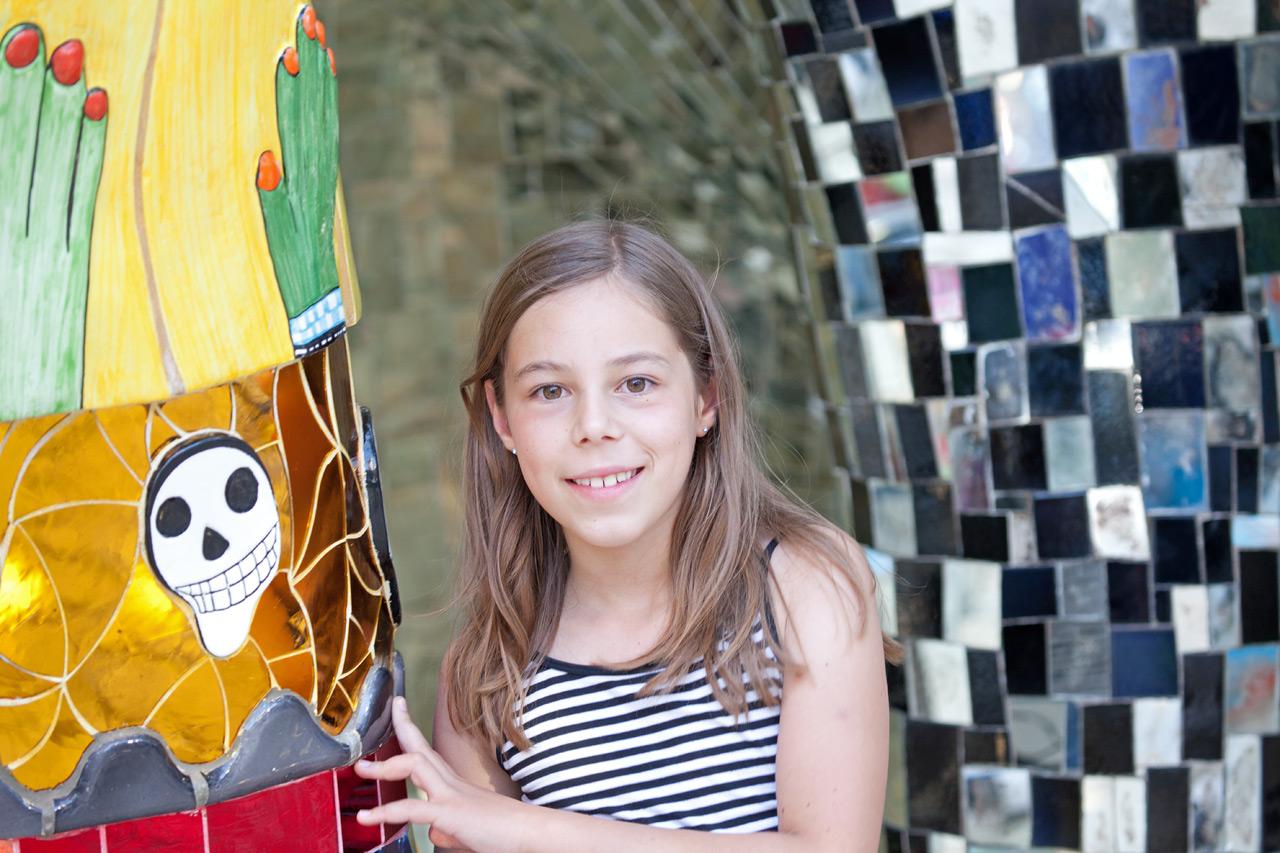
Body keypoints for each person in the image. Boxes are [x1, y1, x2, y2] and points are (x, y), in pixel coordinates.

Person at [354, 220, 899, 852]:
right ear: (502, 418)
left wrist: (526, 829)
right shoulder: (486, 671)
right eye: (549, 390)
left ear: (706, 397)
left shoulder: (801, 586)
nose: (594, 425)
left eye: (636, 383)